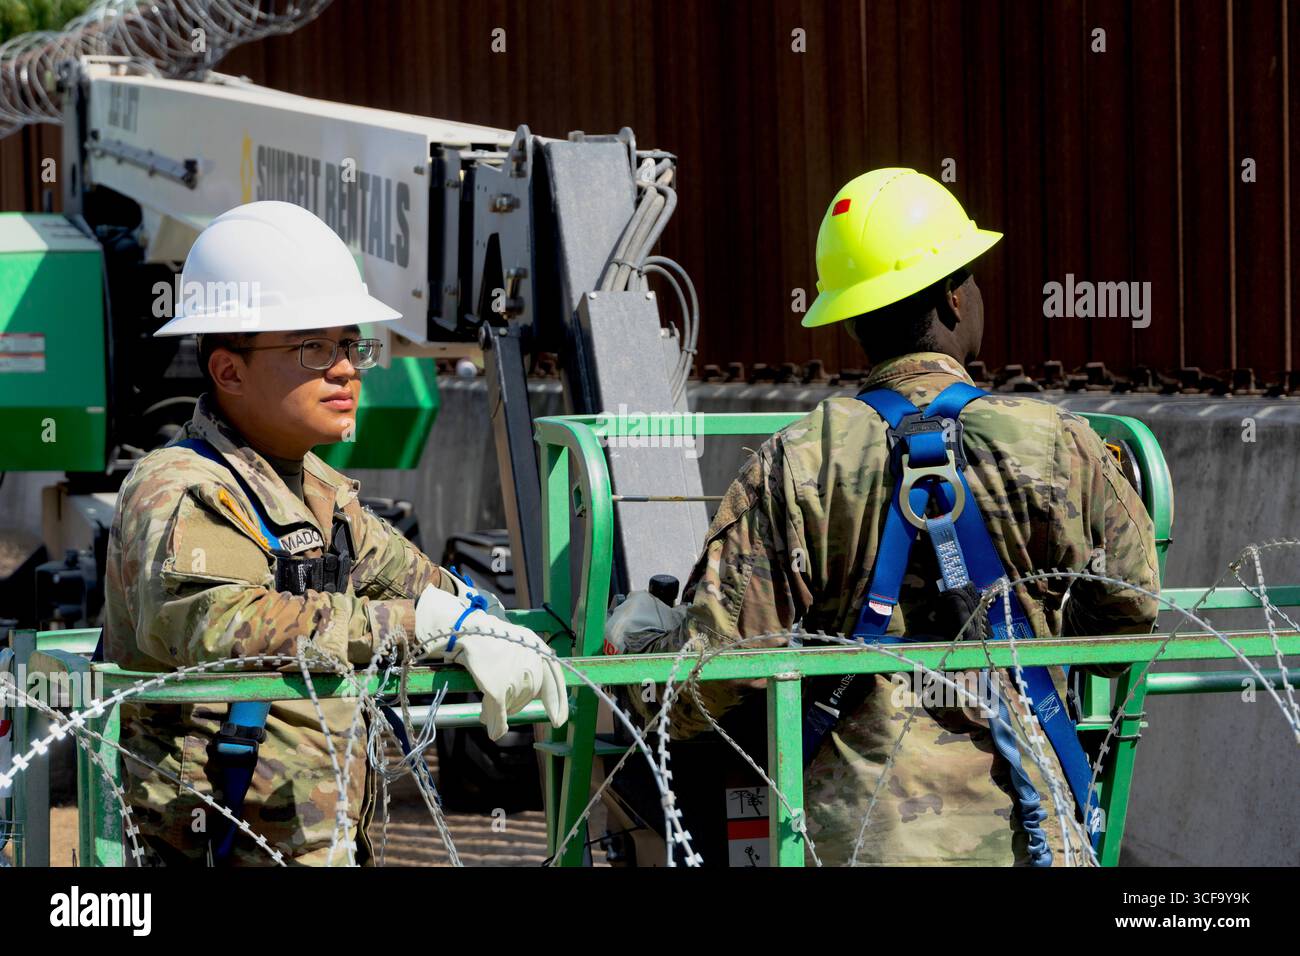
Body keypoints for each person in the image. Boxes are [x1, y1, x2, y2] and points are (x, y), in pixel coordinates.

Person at [606, 168, 1159, 866]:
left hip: (854, 841)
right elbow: (1128, 618)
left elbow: (711, 677)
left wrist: (636, 653)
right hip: (1032, 836)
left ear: (853, 320)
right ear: (955, 300)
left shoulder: (796, 463)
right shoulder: (1060, 445)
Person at [103, 200, 567, 866]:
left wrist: (506, 625)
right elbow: (212, 624)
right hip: (212, 847)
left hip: (316, 842)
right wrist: (422, 626)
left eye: (351, 346)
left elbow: (431, 589)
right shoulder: (181, 486)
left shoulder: (320, 493)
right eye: (312, 348)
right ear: (229, 370)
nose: (346, 369)